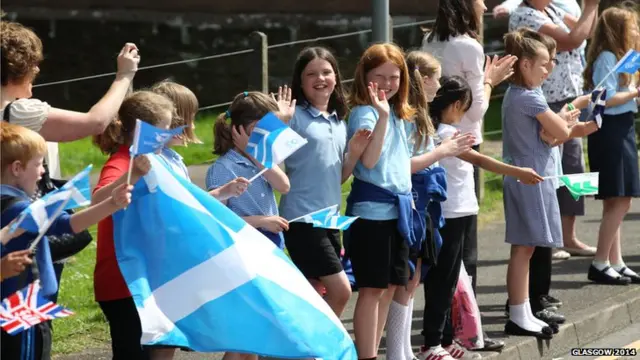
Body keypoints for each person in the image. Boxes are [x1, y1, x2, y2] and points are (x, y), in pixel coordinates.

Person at [417, 75, 544, 360]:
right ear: (458, 105)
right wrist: (518, 172)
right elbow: (480, 161)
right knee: (442, 280)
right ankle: (432, 344)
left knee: (452, 281)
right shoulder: (445, 134)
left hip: (461, 211)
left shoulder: (448, 131)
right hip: (449, 214)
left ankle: (446, 341)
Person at [0, 121, 135, 360]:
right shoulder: (20, 208)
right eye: (38, 164)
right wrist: (113, 203)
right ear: (17, 168)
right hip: (23, 313)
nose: (43, 171)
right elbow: (69, 224)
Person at [501, 30, 599, 339]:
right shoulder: (529, 96)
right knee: (524, 246)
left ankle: (524, 310)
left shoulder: (522, 94)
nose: (549, 69)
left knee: (528, 247)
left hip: (531, 174)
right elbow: (560, 130)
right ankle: (518, 313)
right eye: (544, 64)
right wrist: (579, 107)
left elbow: (549, 135)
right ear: (526, 64)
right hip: (529, 177)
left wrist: (572, 118)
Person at [385, 50, 475, 360]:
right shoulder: (407, 117)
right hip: (409, 204)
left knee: (412, 278)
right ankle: (399, 351)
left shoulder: (419, 113)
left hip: (423, 206)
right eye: (435, 78)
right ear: (424, 80)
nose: (439, 84)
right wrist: (444, 150)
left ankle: (404, 351)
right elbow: (405, 163)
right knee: (403, 279)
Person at [279, 47, 371, 316]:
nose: (320, 78)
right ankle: (320, 348)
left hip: (331, 221)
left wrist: (353, 154)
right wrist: (279, 123)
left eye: (326, 72)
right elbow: (262, 155)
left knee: (314, 291)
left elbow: (337, 177)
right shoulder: (294, 116)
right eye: (311, 74)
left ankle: (301, 350)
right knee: (340, 290)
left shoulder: (339, 120)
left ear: (336, 77)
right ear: (300, 80)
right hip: (302, 221)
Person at [508, 0, 600, 262]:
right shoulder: (525, 15)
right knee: (551, 169)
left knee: (572, 167)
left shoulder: (552, 10)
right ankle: (550, 237)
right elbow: (572, 39)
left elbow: (588, 32)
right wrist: (592, 6)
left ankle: (568, 236)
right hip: (546, 99)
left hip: (569, 94)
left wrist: (588, 11)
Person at [91, 91, 178, 360]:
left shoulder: (151, 161)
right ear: (142, 131)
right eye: (163, 130)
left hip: (141, 279)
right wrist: (133, 175)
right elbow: (97, 199)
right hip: (121, 282)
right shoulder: (121, 163)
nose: (168, 136)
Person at [206, 91, 293, 360]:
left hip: (270, 248)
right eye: (259, 130)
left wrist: (258, 156)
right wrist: (260, 222)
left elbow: (284, 186)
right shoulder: (222, 169)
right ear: (238, 130)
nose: (264, 136)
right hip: (242, 252)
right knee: (246, 334)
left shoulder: (263, 160)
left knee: (258, 330)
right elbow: (217, 219)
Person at [0, 19, 140, 179]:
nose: (37, 69)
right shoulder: (19, 114)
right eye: (32, 64)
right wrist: (124, 75)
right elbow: (96, 122)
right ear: (15, 68)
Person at [583, 6, 640, 284]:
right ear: (617, 31)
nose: (636, 32)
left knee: (619, 199)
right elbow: (601, 98)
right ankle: (600, 261)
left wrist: (633, 92)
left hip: (623, 127)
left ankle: (614, 261)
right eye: (632, 28)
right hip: (610, 131)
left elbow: (627, 92)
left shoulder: (624, 57)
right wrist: (633, 92)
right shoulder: (607, 57)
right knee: (619, 199)